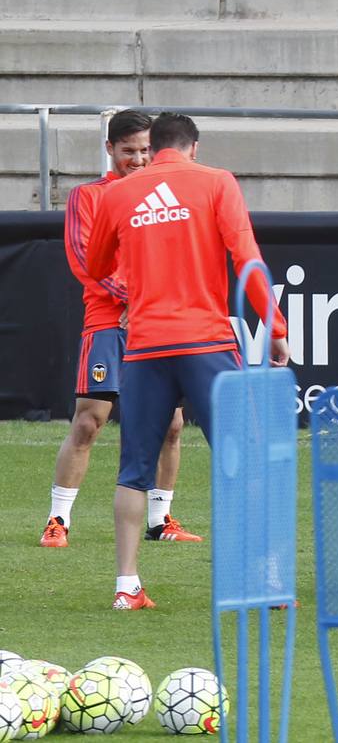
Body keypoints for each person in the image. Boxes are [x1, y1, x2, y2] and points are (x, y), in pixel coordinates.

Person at [85, 113, 289, 610]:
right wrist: (276, 328)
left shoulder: (119, 194)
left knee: (134, 468)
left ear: (152, 149)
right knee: (244, 463)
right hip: (207, 343)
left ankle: (126, 586)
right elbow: (247, 258)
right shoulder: (217, 182)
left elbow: (94, 266)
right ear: (193, 148)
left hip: (146, 345)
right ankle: (262, 582)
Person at [42, 110, 201, 548]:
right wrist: (132, 297)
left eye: (145, 149)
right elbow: (82, 258)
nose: (137, 158)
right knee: (90, 421)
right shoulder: (89, 196)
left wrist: (155, 300)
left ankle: (159, 519)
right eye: (128, 150)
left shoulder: (168, 196)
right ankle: (58, 520)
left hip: (158, 322)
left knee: (171, 424)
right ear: (109, 149)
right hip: (108, 321)